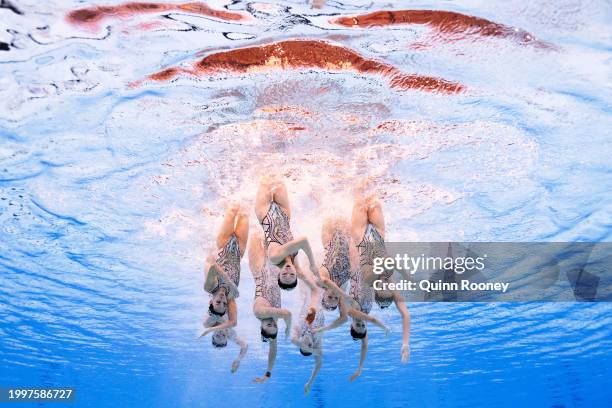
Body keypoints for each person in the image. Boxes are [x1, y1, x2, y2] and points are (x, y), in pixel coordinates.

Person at [350, 185, 411, 365]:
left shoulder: (369, 279)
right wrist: (406, 343)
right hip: (378, 233)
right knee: (372, 195)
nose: (386, 284)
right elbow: (406, 315)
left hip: (360, 235)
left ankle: (351, 171)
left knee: (358, 194)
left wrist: (406, 275)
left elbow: (386, 262)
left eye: (383, 287)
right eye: (389, 288)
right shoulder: (389, 282)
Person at [254, 176, 320, 296]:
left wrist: (313, 264)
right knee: (279, 178)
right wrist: (317, 280)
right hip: (284, 215)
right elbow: (312, 286)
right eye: (292, 275)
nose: (288, 271)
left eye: (284, 274)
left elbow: (303, 240)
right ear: (296, 274)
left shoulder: (275, 257)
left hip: (265, 213)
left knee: (265, 177)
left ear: (278, 273)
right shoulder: (294, 264)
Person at [248, 231, 292, 383]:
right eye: (275, 325)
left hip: (259, 267)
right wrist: (267, 374)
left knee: (255, 230)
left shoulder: (259, 311)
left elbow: (287, 314)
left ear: (261, 326)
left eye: (269, 324)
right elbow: (273, 350)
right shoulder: (271, 321)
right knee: (272, 233)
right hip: (274, 268)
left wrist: (287, 328)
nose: (273, 322)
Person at [203, 204, 249, 319]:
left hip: (224, 244)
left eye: (218, 302)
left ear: (211, 302)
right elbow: (233, 322)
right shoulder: (231, 294)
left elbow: (213, 267)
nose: (223, 299)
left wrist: (229, 283)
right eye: (224, 304)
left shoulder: (210, 287)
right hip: (239, 250)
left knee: (232, 209)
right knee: (245, 212)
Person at [291, 288, 324, 395]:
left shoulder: (298, 331)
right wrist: (309, 383)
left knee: (308, 288)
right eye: (308, 344)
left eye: (303, 344)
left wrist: (309, 349)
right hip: (320, 301)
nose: (306, 341)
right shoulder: (317, 340)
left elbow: (293, 340)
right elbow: (318, 364)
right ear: (312, 345)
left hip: (308, 298)